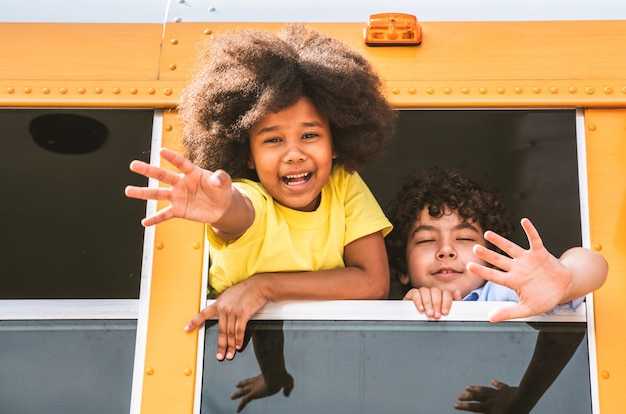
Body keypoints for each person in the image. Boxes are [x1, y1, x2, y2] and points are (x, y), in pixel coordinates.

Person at [125, 23, 396, 365]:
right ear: (247, 156)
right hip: (223, 355)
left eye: (310, 135)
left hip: (321, 353)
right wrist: (220, 206)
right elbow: (238, 211)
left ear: (337, 143)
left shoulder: (343, 185)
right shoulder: (249, 197)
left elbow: (373, 283)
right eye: (273, 139)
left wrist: (263, 286)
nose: (294, 153)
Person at [384, 167, 608, 321]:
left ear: (491, 260)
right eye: (426, 240)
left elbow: (595, 264)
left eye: (464, 238)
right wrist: (411, 309)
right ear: (402, 267)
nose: (445, 250)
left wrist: (565, 279)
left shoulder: (503, 294)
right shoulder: (400, 309)